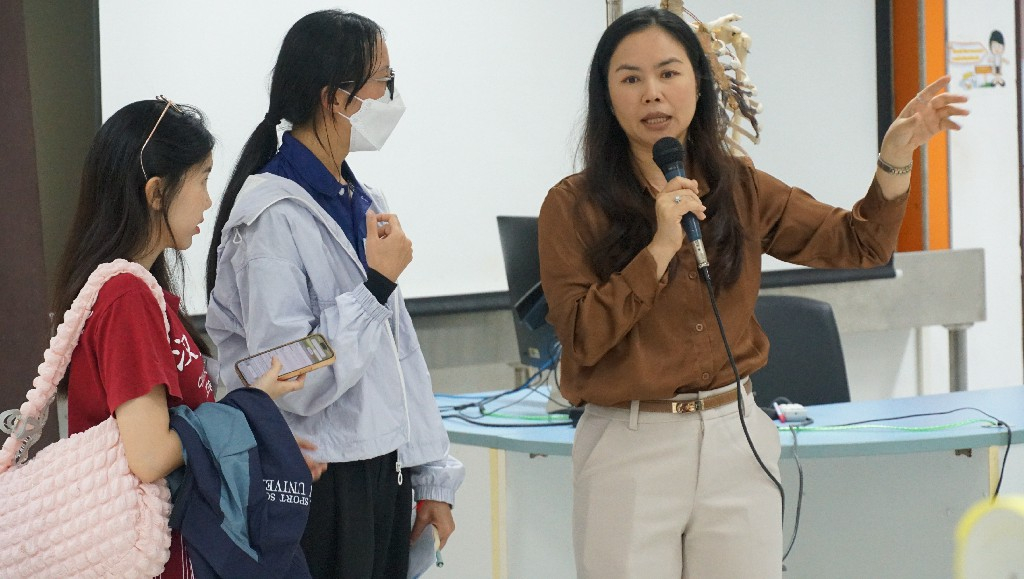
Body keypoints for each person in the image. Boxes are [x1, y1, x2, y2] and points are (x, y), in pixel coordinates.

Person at [537, 7, 968, 579]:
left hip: (734, 434)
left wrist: (894, 157)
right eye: (631, 78)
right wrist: (660, 248)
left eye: (669, 73)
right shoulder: (572, 205)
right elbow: (581, 338)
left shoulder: (738, 186)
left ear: (698, 84)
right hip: (629, 443)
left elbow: (860, 242)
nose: (652, 94)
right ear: (607, 96)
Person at [204, 10, 464, 578]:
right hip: (318, 479)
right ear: (334, 98)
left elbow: (401, 351)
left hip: (383, 469)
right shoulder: (271, 214)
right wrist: (374, 289)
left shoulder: (361, 196)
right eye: (383, 82)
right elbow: (286, 370)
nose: (391, 97)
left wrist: (432, 475)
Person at [53, 98, 306, 578]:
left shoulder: (142, 293)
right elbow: (150, 455)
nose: (209, 201)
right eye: (203, 178)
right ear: (156, 192)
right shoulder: (126, 296)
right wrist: (250, 410)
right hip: (155, 556)